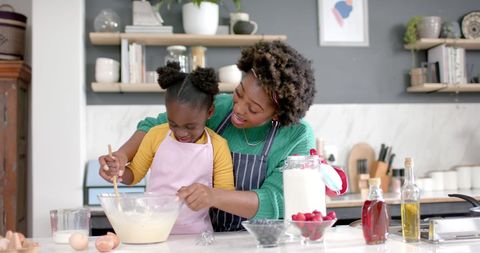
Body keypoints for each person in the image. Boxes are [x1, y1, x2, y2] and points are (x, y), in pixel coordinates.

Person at [99, 41, 323, 232]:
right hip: (208, 237)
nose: (238, 109)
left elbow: (278, 201)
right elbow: (155, 126)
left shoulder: (296, 135)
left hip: (261, 241)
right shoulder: (220, 107)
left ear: (278, 113)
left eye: (253, 109)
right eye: (239, 93)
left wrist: (214, 197)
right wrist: (121, 156)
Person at [99, 62, 235, 234]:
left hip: (198, 235)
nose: (181, 133)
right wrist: (117, 171)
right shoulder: (155, 135)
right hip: (153, 231)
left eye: (190, 126)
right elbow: (133, 175)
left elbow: (224, 194)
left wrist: (207, 195)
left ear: (209, 113)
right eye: (173, 124)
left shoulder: (218, 146)